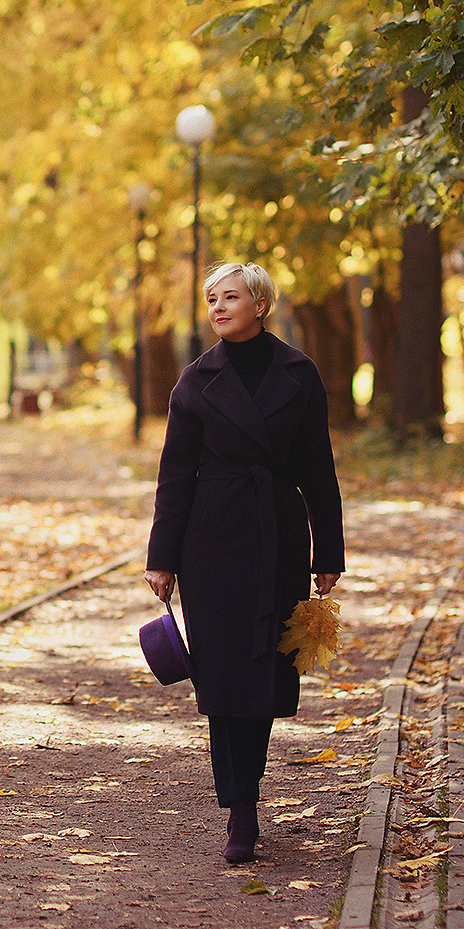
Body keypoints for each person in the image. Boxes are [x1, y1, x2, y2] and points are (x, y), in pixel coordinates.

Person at [144, 262, 344, 863]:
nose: (218, 308)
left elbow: (319, 467)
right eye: (211, 299)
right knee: (222, 671)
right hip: (212, 539)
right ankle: (240, 807)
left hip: (278, 535)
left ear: (260, 304)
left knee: (264, 671)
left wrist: (328, 552)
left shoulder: (299, 373)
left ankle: (246, 789)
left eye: (230, 297)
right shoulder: (195, 380)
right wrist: (162, 558)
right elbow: (175, 474)